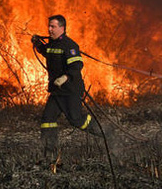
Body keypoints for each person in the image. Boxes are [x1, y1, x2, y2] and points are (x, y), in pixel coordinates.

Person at [31, 15, 108, 162]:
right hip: (57, 92)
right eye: (49, 26)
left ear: (62, 28)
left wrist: (64, 77)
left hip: (70, 90)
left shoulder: (69, 45)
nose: (49, 29)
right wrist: (37, 44)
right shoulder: (52, 45)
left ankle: (105, 132)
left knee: (77, 120)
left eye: (53, 26)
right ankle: (50, 153)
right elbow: (47, 52)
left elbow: (76, 66)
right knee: (48, 118)